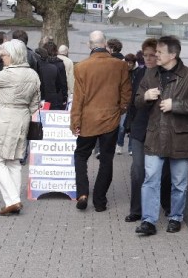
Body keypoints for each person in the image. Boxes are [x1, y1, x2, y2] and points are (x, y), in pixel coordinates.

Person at [135, 35, 188, 236]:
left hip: (179, 137)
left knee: (179, 182)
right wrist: (145, 97)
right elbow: (137, 101)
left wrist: (176, 105)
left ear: (172, 55)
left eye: (160, 52)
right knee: (150, 179)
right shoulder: (150, 74)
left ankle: (175, 217)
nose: (155, 55)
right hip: (155, 135)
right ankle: (148, 221)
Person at [0, 39, 40, 215]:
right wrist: (23, 111)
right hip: (22, 117)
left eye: (4, 55)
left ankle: (13, 200)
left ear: (12, 55)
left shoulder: (8, 74)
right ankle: (13, 201)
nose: (2, 58)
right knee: (14, 160)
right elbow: (35, 103)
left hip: (5, 117)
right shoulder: (33, 75)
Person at [70, 31, 131, 212]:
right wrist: (119, 110)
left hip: (88, 120)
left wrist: (75, 121)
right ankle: (99, 200)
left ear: (89, 45)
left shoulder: (81, 67)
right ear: (105, 44)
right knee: (106, 159)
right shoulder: (120, 65)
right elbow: (126, 94)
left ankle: (82, 193)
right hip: (110, 119)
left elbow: (78, 99)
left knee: (81, 155)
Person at [123, 39, 171, 223]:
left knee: (164, 170)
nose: (149, 58)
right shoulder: (139, 74)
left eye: (152, 55)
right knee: (137, 169)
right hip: (140, 128)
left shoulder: (166, 75)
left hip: (160, 129)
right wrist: (129, 125)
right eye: (145, 55)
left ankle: (167, 204)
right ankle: (136, 209)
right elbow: (132, 102)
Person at [35, 46, 68, 110]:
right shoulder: (53, 68)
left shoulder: (35, 69)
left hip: (38, 100)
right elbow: (59, 85)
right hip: (52, 100)